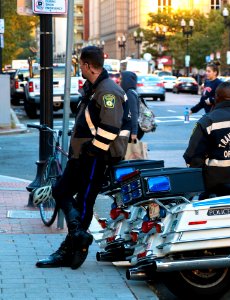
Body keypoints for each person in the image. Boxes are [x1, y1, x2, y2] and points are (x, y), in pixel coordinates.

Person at [33, 46, 128, 269]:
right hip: (82, 155)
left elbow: (111, 127)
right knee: (60, 190)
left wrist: (93, 150)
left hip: (96, 157)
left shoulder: (107, 91)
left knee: (84, 201)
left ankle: (70, 250)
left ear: (86, 65)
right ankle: (78, 236)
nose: (79, 69)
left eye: (80, 65)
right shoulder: (94, 88)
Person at [120, 71, 140, 143]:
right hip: (127, 130)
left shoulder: (129, 93)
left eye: (121, 79)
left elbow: (134, 113)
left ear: (127, 80)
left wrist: (134, 132)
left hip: (129, 131)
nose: (120, 81)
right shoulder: (130, 91)